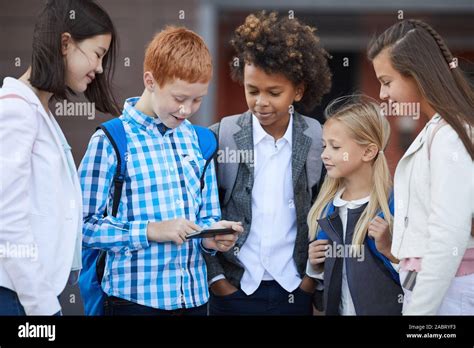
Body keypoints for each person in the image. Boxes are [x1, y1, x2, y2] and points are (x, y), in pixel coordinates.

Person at [78, 26, 243, 316]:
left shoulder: (200, 141)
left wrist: (211, 237)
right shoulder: (112, 141)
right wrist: (151, 231)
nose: (188, 109)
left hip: (194, 300)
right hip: (133, 302)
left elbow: (207, 217)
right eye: (179, 98)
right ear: (150, 81)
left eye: (197, 99)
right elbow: (82, 226)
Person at [203, 11, 332, 315]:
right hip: (233, 289)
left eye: (274, 93)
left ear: (298, 90)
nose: (261, 102)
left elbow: (326, 209)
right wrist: (217, 280)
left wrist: (310, 282)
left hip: (293, 289)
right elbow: (200, 211)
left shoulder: (317, 138)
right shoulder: (220, 137)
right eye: (252, 90)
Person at [0, 0, 120, 315]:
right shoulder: (15, 109)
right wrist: (42, 307)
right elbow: (7, 223)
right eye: (97, 54)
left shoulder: (39, 111)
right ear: (65, 43)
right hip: (18, 298)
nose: (98, 68)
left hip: (28, 297)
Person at [368, 19, 474, 315]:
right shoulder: (437, 131)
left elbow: (448, 235)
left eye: (387, 82)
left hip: (447, 297)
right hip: (437, 291)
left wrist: (419, 315)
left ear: (417, 75)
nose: (382, 94)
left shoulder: (450, 136)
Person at [306, 98, 403, 315]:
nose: (324, 154)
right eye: (324, 145)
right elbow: (325, 293)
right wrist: (314, 265)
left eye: (335, 146)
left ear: (368, 152)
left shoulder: (395, 206)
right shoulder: (326, 209)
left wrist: (389, 250)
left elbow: (418, 281)